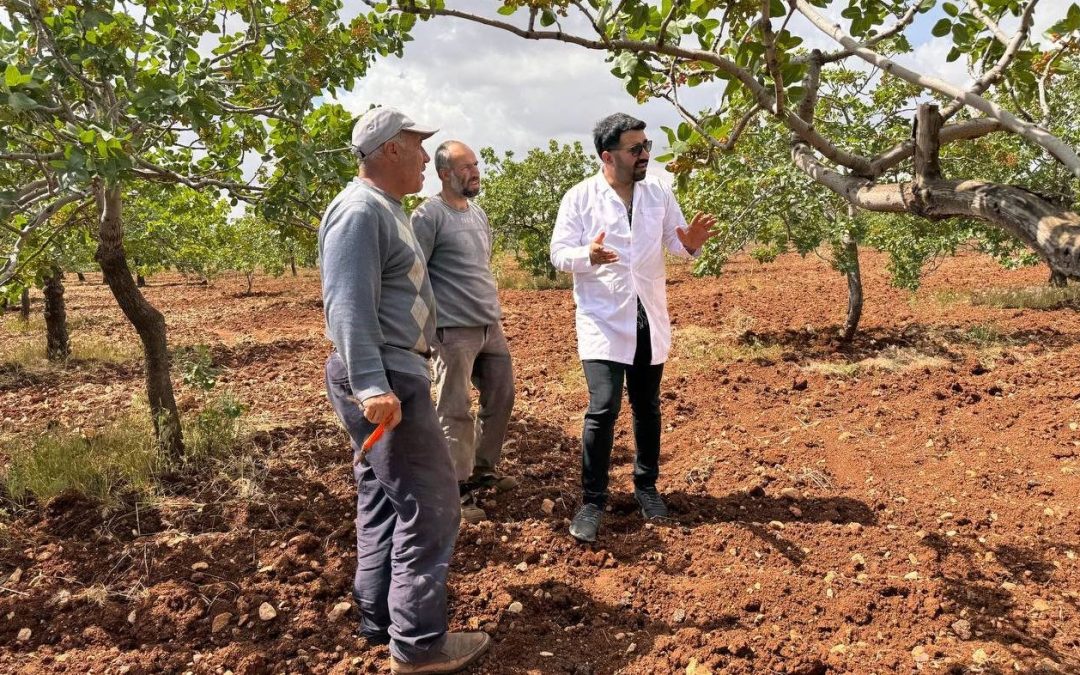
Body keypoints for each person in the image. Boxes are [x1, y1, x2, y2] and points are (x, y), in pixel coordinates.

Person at [319, 107, 490, 674]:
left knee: (383, 495)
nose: (425, 159)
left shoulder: (386, 210)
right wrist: (371, 383)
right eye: (418, 147)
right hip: (386, 378)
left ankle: (378, 619)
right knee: (431, 504)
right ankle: (418, 647)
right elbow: (346, 304)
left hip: (393, 373)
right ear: (390, 149)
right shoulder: (360, 211)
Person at [550, 112, 719, 543]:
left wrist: (692, 243)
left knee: (647, 406)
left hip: (647, 312)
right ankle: (593, 500)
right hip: (602, 318)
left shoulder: (659, 190)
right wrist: (587, 254)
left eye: (646, 145)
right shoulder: (580, 197)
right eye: (635, 148)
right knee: (602, 408)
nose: (645, 154)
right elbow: (558, 254)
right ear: (608, 155)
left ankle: (646, 487)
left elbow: (676, 243)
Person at [412, 140, 517, 525]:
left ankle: (483, 470)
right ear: (444, 174)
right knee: (454, 409)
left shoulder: (478, 213)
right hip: (452, 331)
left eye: (475, 164)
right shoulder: (428, 216)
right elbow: (414, 274)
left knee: (501, 398)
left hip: (490, 324)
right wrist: (424, 330)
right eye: (465, 167)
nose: (474, 172)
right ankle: (455, 490)